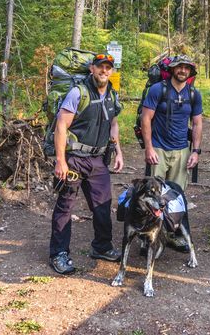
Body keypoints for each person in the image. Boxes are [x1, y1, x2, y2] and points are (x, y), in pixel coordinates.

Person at [49, 53, 124, 275]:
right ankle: (59, 254)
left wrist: (118, 151)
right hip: (73, 159)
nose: (104, 71)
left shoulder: (112, 94)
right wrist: (60, 160)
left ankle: (102, 247)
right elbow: (61, 125)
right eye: (101, 67)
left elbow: (114, 125)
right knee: (65, 206)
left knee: (102, 206)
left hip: (98, 160)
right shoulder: (77, 92)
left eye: (108, 68)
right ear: (92, 68)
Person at [140, 55, 203, 251]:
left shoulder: (193, 94)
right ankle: (146, 237)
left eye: (187, 68)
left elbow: (197, 122)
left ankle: (172, 234)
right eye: (179, 67)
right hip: (158, 148)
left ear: (190, 72)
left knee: (176, 195)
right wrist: (149, 147)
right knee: (152, 194)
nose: (183, 71)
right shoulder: (158, 89)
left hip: (182, 150)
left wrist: (196, 151)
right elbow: (146, 119)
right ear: (173, 69)